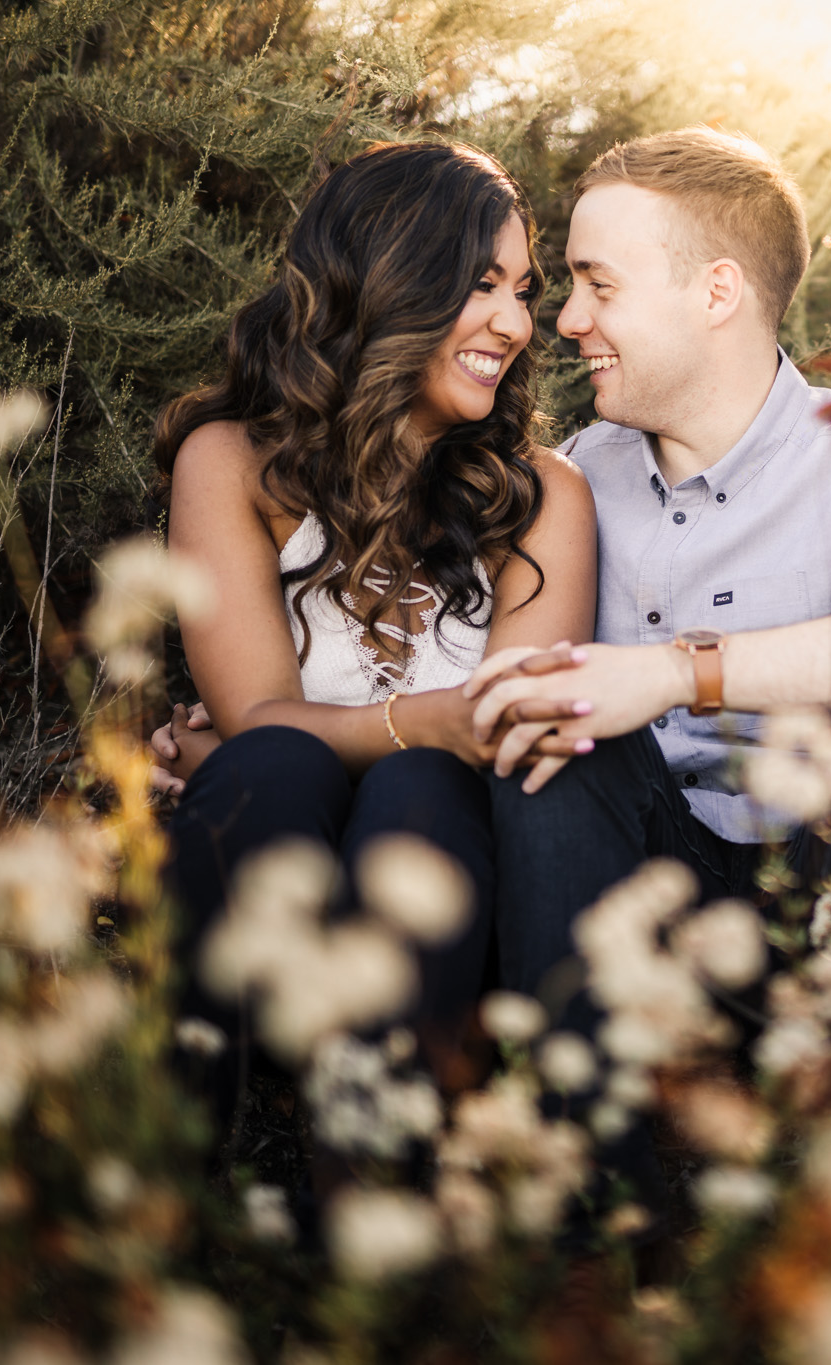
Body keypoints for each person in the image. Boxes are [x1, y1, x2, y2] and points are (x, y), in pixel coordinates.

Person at [462, 128, 831, 1022]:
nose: (566, 319)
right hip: (635, 898)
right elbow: (456, 647)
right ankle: (580, 1138)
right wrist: (286, 712)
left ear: (717, 291)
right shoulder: (568, 476)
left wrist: (679, 672)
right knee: (555, 747)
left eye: (599, 285)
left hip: (826, 878)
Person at [152, 140, 597, 1111]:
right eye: (482, 283)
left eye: (522, 290)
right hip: (278, 920)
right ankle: (178, 1164)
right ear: (389, 275)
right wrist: (413, 720)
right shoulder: (229, 462)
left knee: (421, 784)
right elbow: (260, 723)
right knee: (270, 768)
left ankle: (378, 1168)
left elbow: (499, 733)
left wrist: (398, 736)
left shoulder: (544, 496)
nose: (515, 323)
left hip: (454, 944)